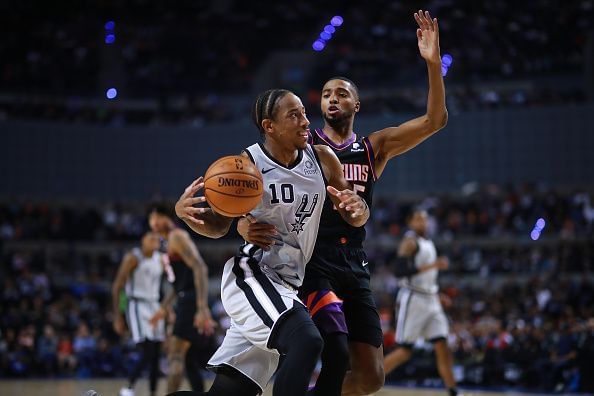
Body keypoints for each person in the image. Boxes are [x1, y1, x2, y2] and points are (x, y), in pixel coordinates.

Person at [238, 9, 448, 396]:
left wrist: (433, 65)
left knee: (370, 378)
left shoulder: (374, 148)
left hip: (355, 263)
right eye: (328, 94)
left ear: (356, 106)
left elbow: (435, 120)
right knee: (333, 351)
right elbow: (257, 185)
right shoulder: (305, 147)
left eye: (343, 93)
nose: (333, 98)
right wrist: (241, 223)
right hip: (314, 262)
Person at [170, 88, 370, 396]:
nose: (305, 121)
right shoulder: (247, 165)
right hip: (252, 275)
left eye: (304, 112)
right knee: (308, 339)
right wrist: (186, 214)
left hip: (288, 286)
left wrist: (359, 210)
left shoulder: (322, 158)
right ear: (269, 126)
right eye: (294, 115)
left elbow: (355, 212)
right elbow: (219, 225)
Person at [384, 209, 458, 396]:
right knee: (405, 351)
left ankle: (453, 391)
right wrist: (434, 265)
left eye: (425, 219)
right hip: (414, 299)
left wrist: (437, 293)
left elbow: (426, 276)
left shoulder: (428, 242)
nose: (423, 223)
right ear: (410, 223)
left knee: (442, 345)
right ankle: (368, 381)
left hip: (431, 298)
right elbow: (399, 270)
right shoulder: (410, 241)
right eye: (418, 219)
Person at [147, 203, 216, 393]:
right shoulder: (165, 244)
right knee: (188, 359)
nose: (153, 223)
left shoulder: (178, 236)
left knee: (175, 354)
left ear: (167, 218)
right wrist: (163, 308)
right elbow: (177, 284)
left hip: (191, 300)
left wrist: (202, 308)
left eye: (156, 218)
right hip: (185, 299)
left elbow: (200, 267)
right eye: (151, 219)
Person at [112, 231, 165, 396]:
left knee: (156, 353)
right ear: (143, 240)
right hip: (137, 304)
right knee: (147, 351)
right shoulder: (133, 258)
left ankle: (153, 391)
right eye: (151, 238)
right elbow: (117, 287)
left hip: (155, 305)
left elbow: (165, 286)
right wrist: (118, 316)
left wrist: (166, 309)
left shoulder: (161, 259)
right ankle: (128, 387)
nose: (156, 240)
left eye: (157, 238)